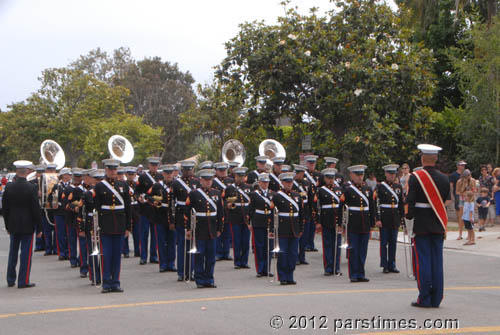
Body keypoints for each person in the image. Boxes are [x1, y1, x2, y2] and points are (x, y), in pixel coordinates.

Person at [406, 144, 450, 308]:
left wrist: (408, 218)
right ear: (436, 158)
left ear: (422, 158)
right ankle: (436, 298)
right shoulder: (445, 178)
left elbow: (410, 201)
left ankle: (424, 298)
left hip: (422, 224)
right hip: (438, 222)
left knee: (423, 261)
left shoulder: (415, 177)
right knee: (437, 262)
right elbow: (445, 200)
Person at [93, 159, 132, 293]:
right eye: (110, 169)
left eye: (114, 169)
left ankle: (115, 282)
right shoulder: (99, 186)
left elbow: (128, 208)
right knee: (106, 255)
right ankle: (106, 283)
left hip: (120, 225)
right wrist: (96, 227)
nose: (112, 172)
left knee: (116, 256)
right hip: (105, 225)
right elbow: (96, 209)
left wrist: (128, 227)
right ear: (106, 170)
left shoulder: (123, 185)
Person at [3, 160, 42, 288]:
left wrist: (7, 225)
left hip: (13, 223)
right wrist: (39, 227)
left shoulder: (9, 187)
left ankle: (10, 279)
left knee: (13, 252)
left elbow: (5, 208)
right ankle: (23, 280)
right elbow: (35, 209)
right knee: (26, 253)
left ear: (16, 171)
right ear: (27, 172)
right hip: (27, 224)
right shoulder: (31, 188)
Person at [185, 169, 223, 288]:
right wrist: (189, 229)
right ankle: (200, 279)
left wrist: (219, 228)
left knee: (211, 256)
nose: (208, 182)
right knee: (199, 255)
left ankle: (209, 279)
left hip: (211, 228)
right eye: (206, 180)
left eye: (210, 180)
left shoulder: (217, 193)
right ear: (201, 180)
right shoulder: (194, 194)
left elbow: (221, 213)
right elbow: (187, 212)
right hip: (199, 228)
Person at [344, 165, 376, 283]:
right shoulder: (348, 189)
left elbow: (372, 207)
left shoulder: (367, 190)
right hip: (353, 223)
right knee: (353, 250)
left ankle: (361, 273)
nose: (359, 177)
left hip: (365, 223)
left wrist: (372, 221)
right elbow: (342, 206)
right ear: (352, 175)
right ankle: (353, 274)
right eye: (357, 175)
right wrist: (340, 223)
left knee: (363, 250)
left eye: (361, 175)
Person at [272, 172, 304, 285]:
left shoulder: (297, 196)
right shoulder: (277, 196)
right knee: (283, 254)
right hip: (282, 228)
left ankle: (290, 275)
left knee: (293, 254)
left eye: (290, 182)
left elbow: (301, 214)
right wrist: (272, 230)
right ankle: (282, 277)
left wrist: (301, 228)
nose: (289, 184)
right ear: (282, 183)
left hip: (294, 228)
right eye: (287, 182)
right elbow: (273, 214)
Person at [172, 160, 200, 281]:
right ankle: (182, 272)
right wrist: (171, 220)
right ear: (182, 170)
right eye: (186, 170)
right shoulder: (176, 183)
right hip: (181, 215)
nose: (188, 172)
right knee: (182, 245)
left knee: (193, 245)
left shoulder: (197, 182)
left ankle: (192, 271)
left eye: (190, 170)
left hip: (194, 216)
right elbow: (172, 203)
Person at [375, 164, 405, 274]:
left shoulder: (398, 187)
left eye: (394, 174)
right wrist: (377, 218)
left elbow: (401, 204)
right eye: (390, 174)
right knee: (384, 242)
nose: (392, 176)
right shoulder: (380, 187)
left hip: (395, 217)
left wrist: (402, 219)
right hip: (384, 216)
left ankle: (392, 264)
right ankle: (384, 264)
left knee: (393, 242)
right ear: (386, 174)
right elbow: (376, 203)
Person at [148, 164, 176, 272]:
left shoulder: (177, 185)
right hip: (160, 216)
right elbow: (147, 196)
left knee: (172, 241)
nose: (168, 175)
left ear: (173, 173)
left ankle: (171, 263)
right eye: (166, 173)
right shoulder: (157, 186)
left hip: (173, 216)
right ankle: (163, 264)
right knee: (161, 241)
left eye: (170, 173)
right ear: (163, 174)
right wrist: (153, 201)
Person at [316, 168, 344, 276]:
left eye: (332, 178)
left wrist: (342, 222)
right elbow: (318, 207)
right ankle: (328, 267)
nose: (330, 180)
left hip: (337, 220)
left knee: (337, 245)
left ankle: (336, 267)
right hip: (326, 219)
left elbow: (342, 206)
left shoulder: (339, 190)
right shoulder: (321, 190)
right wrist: (318, 221)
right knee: (327, 244)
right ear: (325, 179)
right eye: (328, 178)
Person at [135, 157, 162, 265]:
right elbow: (136, 192)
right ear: (149, 165)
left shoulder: (161, 177)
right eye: (152, 165)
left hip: (156, 209)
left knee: (155, 234)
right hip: (145, 209)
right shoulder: (143, 177)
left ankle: (153, 255)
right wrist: (139, 198)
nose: (154, 167)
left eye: (156, 165)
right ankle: (143, 256)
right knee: (144, 233)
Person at [225, 167, 251, 269]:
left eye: (242, 176)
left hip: (246, 217)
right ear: (235, 176)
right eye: (238, 176)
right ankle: (237, 261)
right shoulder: (230, 188)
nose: (241, 178)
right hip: (235, 216)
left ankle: (244, 261)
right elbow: (225, 202)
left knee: (245, 241)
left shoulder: (249, 188)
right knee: (237, 240)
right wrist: (228, 206)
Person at [248, 173, 274, 277]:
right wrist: (250, 222)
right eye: (263, 182)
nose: (265, 184)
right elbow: (250, 209)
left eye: (267, 182)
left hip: (269, 222)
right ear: (259, 183)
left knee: (269, 247)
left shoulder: (273, 194)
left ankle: (267, 269)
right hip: (258, 222)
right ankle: (260, 269)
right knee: (259, 246)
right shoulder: (254, 194)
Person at [48, 168, 72, 260]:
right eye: (68, 174)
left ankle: (69, 252)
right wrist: (53, 205)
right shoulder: (57, 186)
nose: (70, 176)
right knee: (60, 233)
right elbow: (51, 198)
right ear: (64, 176)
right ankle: (62, 252)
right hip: (59, 212)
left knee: (69, 233)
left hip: (69, 213)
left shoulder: (72, 186)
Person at [212, 162, 234, 261]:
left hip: (229, 211)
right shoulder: (213, 181)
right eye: (221, 170)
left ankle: (226, 252)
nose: (223, 172)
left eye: (224, 170)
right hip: (218, 209)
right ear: (216, 171)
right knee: (218, 232)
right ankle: (218, 253)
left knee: (227, 233)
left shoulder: (231, 180)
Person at [292, 164, 312, 265]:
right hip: (296, 212)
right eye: (300, 173)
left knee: (304, 236)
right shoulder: (291, 184)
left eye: (303, 173)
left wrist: (313, 213)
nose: (302, 175)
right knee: (296, 236)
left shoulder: (307, 184)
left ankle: (302, 257)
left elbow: (311, 199)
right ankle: (295, 257)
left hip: (306, 213)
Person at [303, 155, 320, 252]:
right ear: (306, 163)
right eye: (310, 163)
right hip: (308, 201)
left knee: (313, 223)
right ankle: (305, 244)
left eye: (313, 163)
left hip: (316, 201)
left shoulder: (318, 175)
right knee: (307, 223)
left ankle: (311, 243)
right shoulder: (304, 175)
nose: (312, 165)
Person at [456, 169, 476, 240]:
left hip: (470, 199)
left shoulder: (472, 180)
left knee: (469, 217)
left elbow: (475, 190)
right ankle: (460, 234)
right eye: (467, 176)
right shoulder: (459, 181)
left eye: (469, 175)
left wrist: (471, 192)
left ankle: (469, 235)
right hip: (462, 199)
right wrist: (463, 193)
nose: (468, 177)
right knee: (462, 217)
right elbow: (457, 192)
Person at [449, 161, 466, 239]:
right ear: (458, 166)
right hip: (458, 195)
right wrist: (452, 195)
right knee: (459, 214)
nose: (463, 166)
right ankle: (460, 232)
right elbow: (451, 186)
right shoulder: (454, 175)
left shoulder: (465, 175)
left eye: (464, 165)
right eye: (461, 165)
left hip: (465, 196)